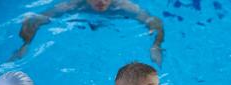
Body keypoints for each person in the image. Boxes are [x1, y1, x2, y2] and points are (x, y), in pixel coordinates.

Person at [11, 0, 164, 66]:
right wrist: (26, 44)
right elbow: (35, 20)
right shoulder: (75, 4)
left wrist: (156, 45)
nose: (102, 2)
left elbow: (155, 22)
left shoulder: (123, 6)